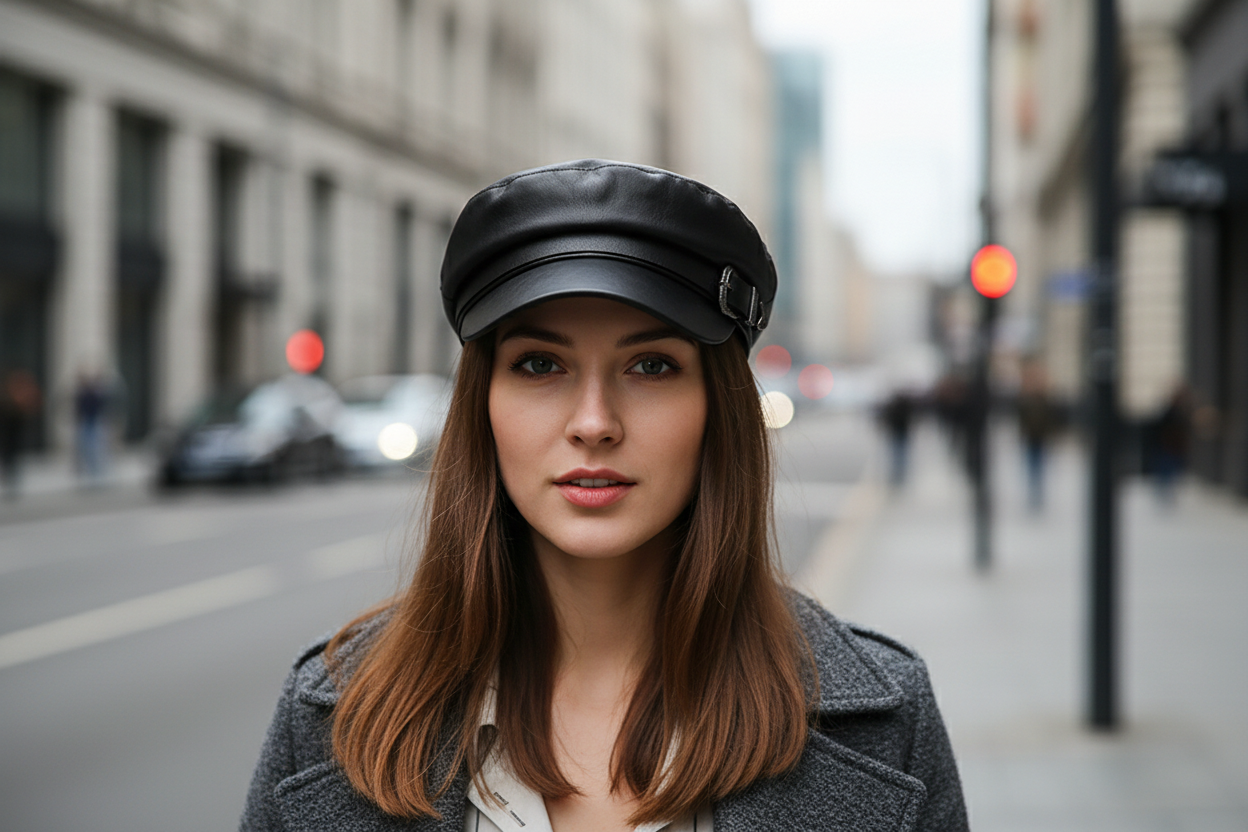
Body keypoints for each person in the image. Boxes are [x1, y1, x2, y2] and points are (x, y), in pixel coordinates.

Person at [241, 160, 968, 832]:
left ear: (718, 406)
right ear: (482, 404)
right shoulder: (331, 718)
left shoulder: (887, 721)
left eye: (651, 365)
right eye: (539, 364)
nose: (593, 423)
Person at [1015, 362, 1060, 511]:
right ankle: (1033, 492)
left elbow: (1051, 418)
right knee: (1032, 465)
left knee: (1039, 465)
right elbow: (1021, 418)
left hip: (1041, 436)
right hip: (1030, 437)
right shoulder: (1025, 399)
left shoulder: (1044, 398)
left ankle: (1037, 492)